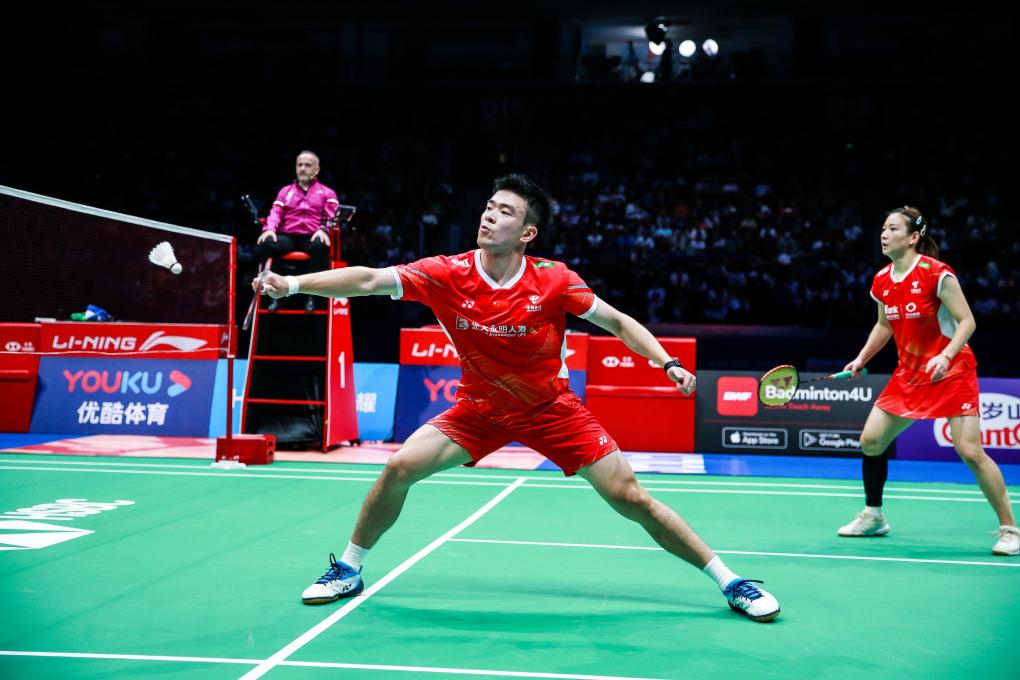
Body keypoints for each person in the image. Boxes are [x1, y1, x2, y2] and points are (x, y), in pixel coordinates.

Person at [253, 174, 780, 622]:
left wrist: (666, 362)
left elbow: (618, 321)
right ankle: (348, 568)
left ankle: (730, 580)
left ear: (527, 233)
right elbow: (368, 280)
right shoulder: (447, 273)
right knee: (399, 467)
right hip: (479, 410)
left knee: (631, 498)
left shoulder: (554, 280)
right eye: (488, 206)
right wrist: (292, 285)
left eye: (504, 211)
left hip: (551, 410)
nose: (489, 216)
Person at [838, 206, 1018, 556]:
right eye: (883, 228)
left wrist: (945, 356)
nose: (884, 234)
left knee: (970, 451)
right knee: (871, 441)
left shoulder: (936, 274)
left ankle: (1010, 529)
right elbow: (884, 325)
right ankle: (874, 516)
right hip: (910, 373)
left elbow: (967, 321)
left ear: (913, 237)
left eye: (893, 229)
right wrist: (862, 358)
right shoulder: (882, 280)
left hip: (951, 370)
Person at [255, 150, 339, 310]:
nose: (302, 168)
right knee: (267, 243)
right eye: (299, 165)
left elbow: (332, 216)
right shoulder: (285, 191)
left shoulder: (327, 193)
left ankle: (313, 297)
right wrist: (270, 229)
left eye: (307, 165)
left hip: (313, 236)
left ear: (316, 170)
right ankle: (273, 293)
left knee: (321, 245)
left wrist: (323, 229)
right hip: (288, 237)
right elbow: (276, 213)